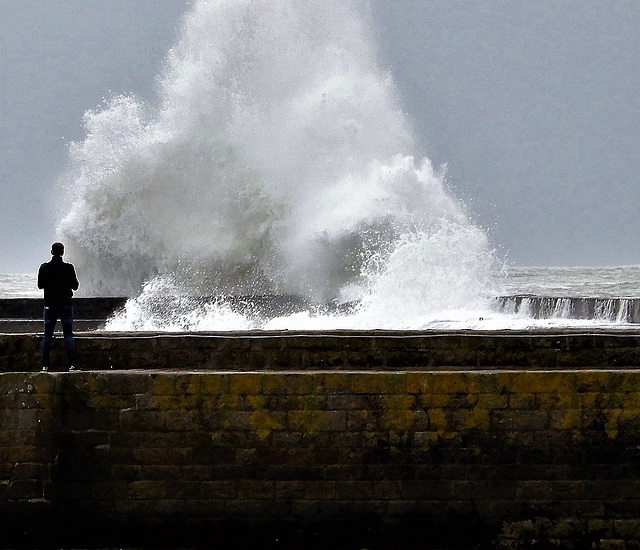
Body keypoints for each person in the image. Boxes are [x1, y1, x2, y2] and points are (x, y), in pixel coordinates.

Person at [37, 242, 79, 371]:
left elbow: (40, 285)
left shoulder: (44, 267)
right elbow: (75, 286)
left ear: (51, 252)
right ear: (63, 252)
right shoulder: (68, 268)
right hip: (66, 305)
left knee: (48, 335)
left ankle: (45, 365)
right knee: (68, 335)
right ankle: (72, 364)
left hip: (50, 305)